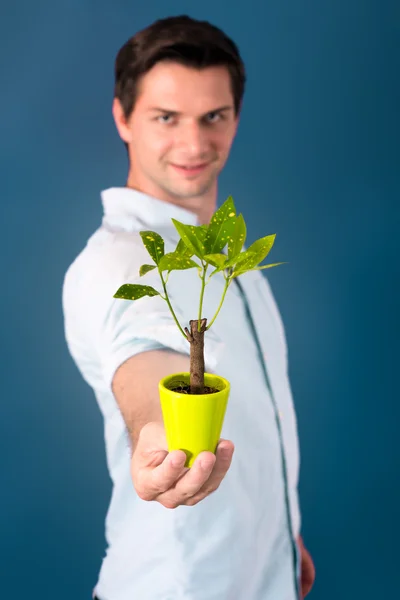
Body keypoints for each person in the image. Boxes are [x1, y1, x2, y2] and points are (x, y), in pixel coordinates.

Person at [62, 14, 315, 600]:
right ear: (123, 118)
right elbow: (143, 355)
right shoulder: (121, 263)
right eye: (166, 118)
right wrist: (158, 434)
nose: (195, 144)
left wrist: (281, 536)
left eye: (213, 117)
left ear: (236, 117)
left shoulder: (229, 261)